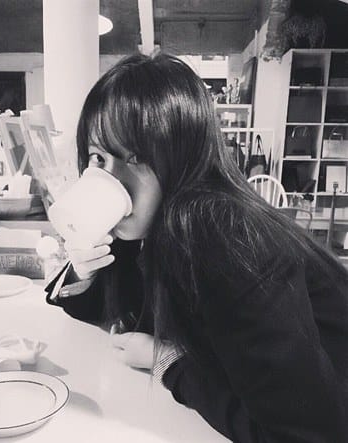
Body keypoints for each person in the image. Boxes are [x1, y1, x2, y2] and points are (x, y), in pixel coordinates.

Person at [45, 53, 348, 442]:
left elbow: (303, 435)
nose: (112, 179)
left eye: (136, 157)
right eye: (99, 157)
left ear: (183, 159)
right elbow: (114, 312)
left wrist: (169, 363)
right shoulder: (153, 223)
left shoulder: (231, 242)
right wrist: (84, 271)